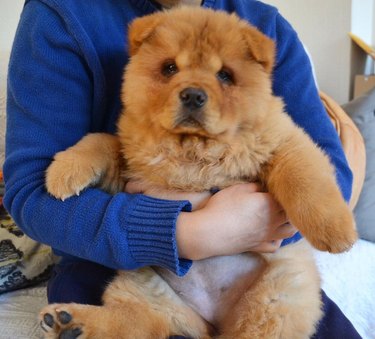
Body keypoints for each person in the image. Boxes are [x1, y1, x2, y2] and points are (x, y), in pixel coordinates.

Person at [4, 0, 360, 338]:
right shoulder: (61, 15)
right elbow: (37, 194)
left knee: (288, 303)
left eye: (224, 75)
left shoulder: (264, 28)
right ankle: (125, 324)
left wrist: (279, 216)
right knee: (129, 297)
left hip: (258, 270)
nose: (194, 91)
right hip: (126, 259)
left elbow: (313, 164)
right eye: (170, 68)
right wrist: (189, 230)